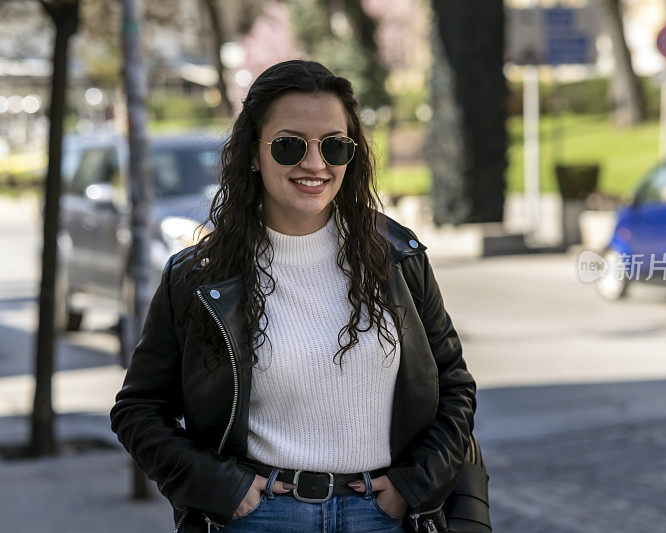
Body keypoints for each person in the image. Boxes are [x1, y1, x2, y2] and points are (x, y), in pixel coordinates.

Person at [110, 59, 477, 533]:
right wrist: (221, 489)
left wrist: (414, 485)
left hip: (384, 519)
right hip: (260, 520)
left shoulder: (397, 256)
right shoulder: (198, 278)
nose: (315, 164)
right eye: (289, 146)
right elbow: (138, 410)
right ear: (252, 152)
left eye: (334, 146)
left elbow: (454, 385)